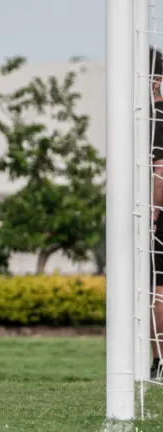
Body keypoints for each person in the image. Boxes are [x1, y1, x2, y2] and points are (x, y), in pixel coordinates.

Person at [149, 46, 163, 380]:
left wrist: (151, 217)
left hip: (159, 217)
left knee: (157, 289)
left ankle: (160, 360)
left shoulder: (156, 118)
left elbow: (160, 169)